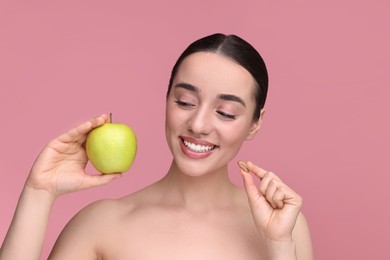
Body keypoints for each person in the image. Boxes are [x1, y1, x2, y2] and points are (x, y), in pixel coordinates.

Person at [0, 33, 313, 259]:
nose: (199, 124)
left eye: (225, 112)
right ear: (166, 101)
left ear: (255, 123)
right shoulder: (102, 223)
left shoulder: (284, 226)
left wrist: (280, 247)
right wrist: (38, 193)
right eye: (185, 101)